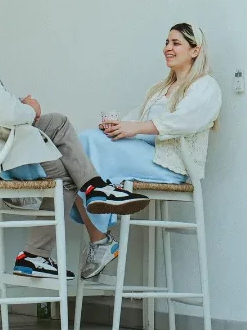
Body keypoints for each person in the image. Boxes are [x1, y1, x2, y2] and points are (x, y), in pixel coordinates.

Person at [0, 0, 151, 280]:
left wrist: (21, 108)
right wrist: (28, 108)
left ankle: (94, 191)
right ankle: (39, 251)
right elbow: (8, 114)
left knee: (57, 124)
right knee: (64, 169)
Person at [75, 22, 222, 280]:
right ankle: (99, 240)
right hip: (146, 156)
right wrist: (117, 127)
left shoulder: (205, 86)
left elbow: (183, 122)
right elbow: (137, 120)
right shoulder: (159, 89)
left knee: (84, 146)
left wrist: (134, 129)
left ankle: (100, 241)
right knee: (86, 143)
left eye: (176, 43)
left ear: (195, 50)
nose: (168, 48)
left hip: (171, 166)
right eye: (166, 43)